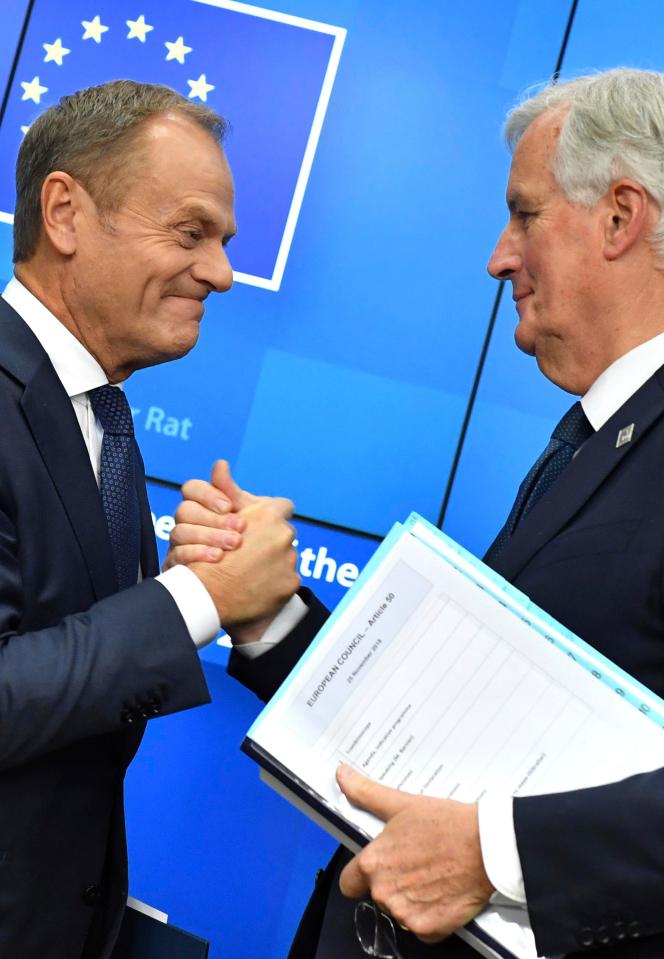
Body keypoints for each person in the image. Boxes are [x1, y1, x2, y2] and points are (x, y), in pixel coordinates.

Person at [170, 69, 664, 959]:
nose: (499, 255)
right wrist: (266, 612)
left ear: (621, 217)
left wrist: (494, 853)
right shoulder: (603, 434)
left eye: (524, 213)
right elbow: (446, 744)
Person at [0, 80, 302, 959]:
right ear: (64, 213)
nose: (220, 271)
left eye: (222, 241)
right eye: (190, 232)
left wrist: (192, 584)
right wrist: (195, 599)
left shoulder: (102, 415)